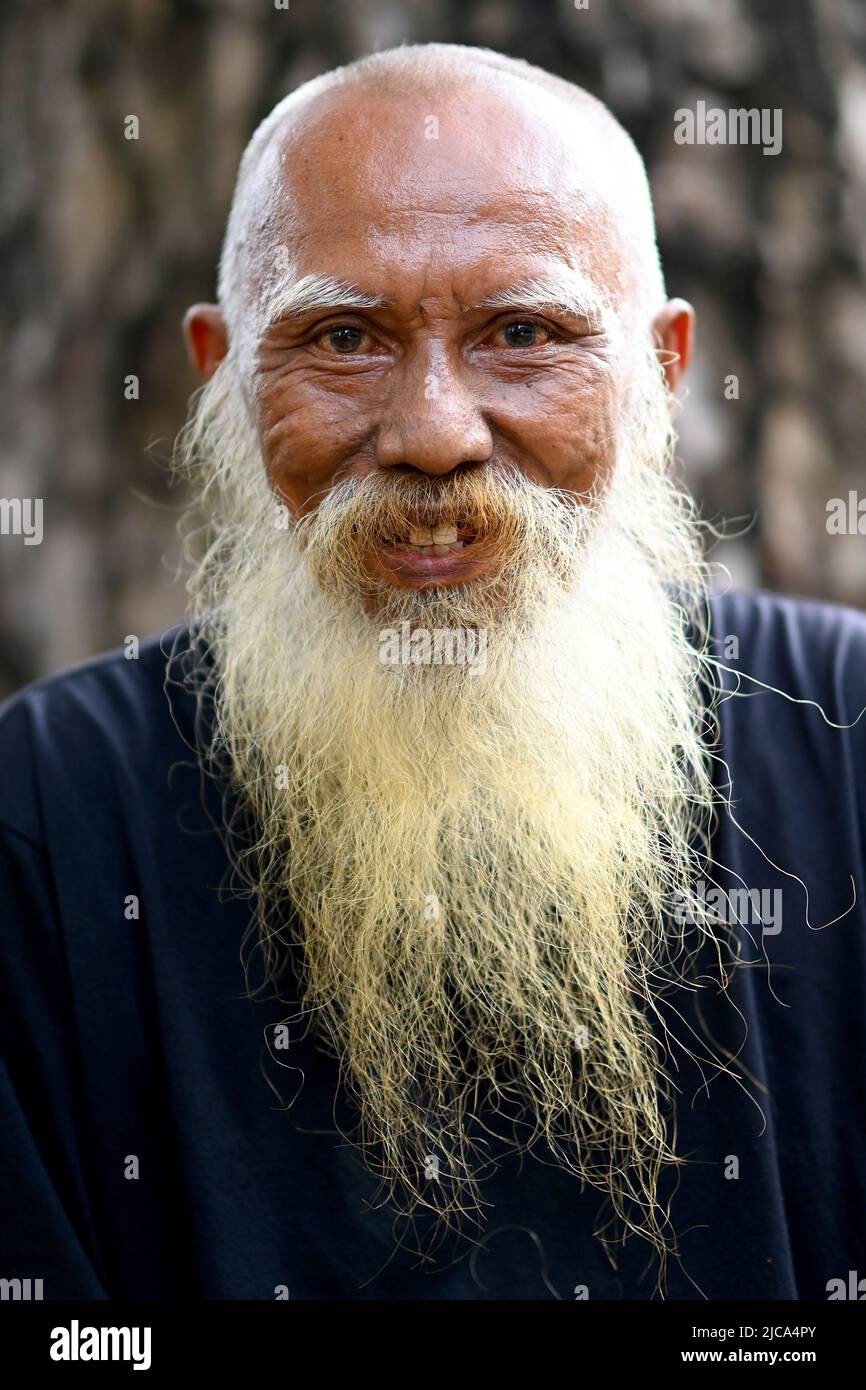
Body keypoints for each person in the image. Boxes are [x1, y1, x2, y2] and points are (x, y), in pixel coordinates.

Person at [1, 43, 864, 1302]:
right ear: (223, 371)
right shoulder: (45, 815)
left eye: (524, 333)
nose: (433, 433)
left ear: (660, 370)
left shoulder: (843, 742)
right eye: (342, 338)